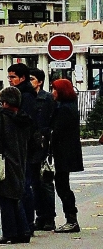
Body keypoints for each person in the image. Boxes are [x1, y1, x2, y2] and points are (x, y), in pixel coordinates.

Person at [0, 85, 33, 244]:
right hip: (20, 160)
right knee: (16, 196)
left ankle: (10, 232)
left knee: (5, 198)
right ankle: (23, 231)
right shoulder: (24, 119)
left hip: (3, 162)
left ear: (4, 102)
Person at [7, 62, 39, 231]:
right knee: (23, 184)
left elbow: (26, 120)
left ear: (22, 78)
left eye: (13, 77)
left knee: (24, 185)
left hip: (25, 146)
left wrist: (11, 113)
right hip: (23, 145)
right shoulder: (22, 93)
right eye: (9, 77)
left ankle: (27, 222)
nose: (10, 80)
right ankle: (26, 221)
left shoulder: (25, 96)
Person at [50, 78, 84, 233]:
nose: (52, 92)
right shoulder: (69, 106)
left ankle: (71, 219)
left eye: (54, 89)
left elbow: (57, 132)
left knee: (62, 186)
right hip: (68, 152)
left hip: (64, 152)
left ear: (61, 91)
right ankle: (71, 219)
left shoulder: (64, 109)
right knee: (62, 184)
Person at [29, 67, 56, 230]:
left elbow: (51, 122)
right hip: (31, 146)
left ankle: (49, 218)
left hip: (44, 146)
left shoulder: (47, 99)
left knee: (45, 182)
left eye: (32, 79)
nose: (30, 82)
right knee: (34, 184)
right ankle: (40, 216)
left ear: (39, 81)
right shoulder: (27, 98)